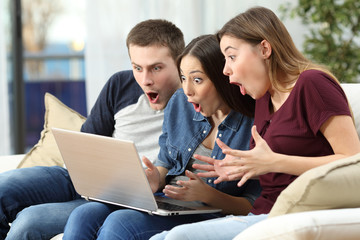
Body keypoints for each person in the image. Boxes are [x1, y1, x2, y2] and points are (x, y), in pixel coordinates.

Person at [150, 6, 360, 240]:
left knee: (178, 238)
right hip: (262, 213)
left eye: (231, 56)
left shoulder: (312, 84)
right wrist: (245, 167)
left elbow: (352, 163)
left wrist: (274, 162)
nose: (226, 69)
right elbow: (275, 169)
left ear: (264, 49)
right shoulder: (263, 98)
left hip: (295, 215)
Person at [62, 34, 261, 240]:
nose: (187, 90)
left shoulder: (254, 124)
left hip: (211, 211)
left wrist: (208, 196)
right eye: (183, 78)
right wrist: (155, 178)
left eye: (197, 80)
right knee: (83, 214)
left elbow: (254, 204)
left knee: (120, 224)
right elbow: (165, 163)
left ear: (223, 79)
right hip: (168, 200)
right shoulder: (180, 103)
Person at [0, 19, 184, 240]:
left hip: (125, 199)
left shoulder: (192, 104)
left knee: (28, 223)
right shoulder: (120, 85)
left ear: (179, 62)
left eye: (156, 68)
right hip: (78, 177)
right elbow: (87, 140)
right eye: (137, 67)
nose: (145, 80)